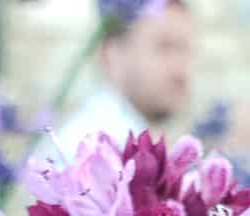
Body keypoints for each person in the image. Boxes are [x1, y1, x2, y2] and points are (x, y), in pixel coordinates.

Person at [54, 0, 195, 157]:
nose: (179, 67)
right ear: (111, 54)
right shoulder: (94, 149)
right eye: (164, 46)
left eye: (185, 48)